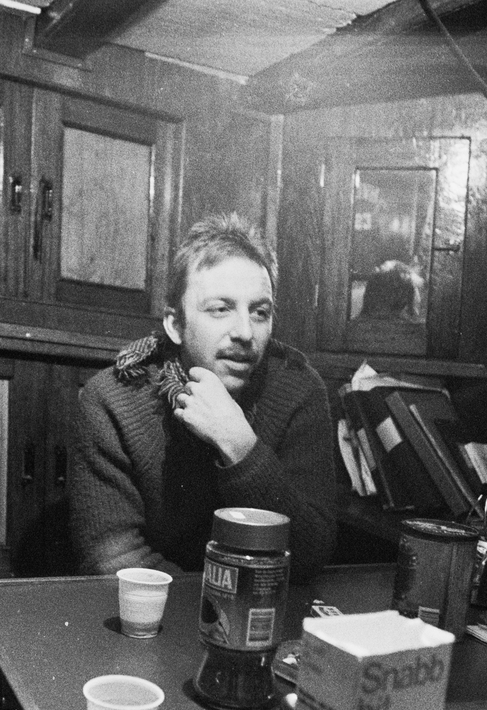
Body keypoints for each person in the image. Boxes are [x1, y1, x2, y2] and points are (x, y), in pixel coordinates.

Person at [69, 213, 336, 583]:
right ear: (176, 324)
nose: (245, 332)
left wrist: (240, 445)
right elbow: (112, 557)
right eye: (220, 309)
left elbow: (310, 555)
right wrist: (217, 601)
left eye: (260, 312)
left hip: (263, 607)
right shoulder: (112, 397)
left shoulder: (299, 388)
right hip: (165, 610)